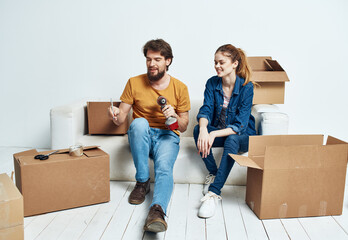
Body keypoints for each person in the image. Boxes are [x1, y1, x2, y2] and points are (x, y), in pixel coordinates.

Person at [108, 39, 190, 232]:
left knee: (163, 168)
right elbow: (120, 120)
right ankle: (142, 182)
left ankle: (157, 210)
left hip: (167, 135)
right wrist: (112, 113)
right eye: (148, 59)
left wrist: (175, 116)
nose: (152, 64)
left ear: (168, 61)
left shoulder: (180, 87)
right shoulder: (134, 82)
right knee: (138, 123)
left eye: (157, 59)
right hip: (142, 133)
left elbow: (184, 127)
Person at [193, 44, 256, 218]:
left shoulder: (246, 87)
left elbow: (240, 126)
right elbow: (205, 109)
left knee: (232, 140)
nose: (217, 66)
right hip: (221, 131)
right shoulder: (212, 83)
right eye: (215, 62)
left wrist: (212, 134)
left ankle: (214, 193)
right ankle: (213, 173)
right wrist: (205, 129)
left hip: (244, 136)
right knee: (198, 130)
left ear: (234, 63)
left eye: (221, 62)